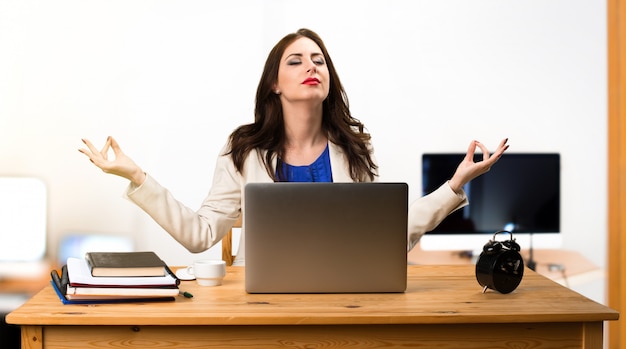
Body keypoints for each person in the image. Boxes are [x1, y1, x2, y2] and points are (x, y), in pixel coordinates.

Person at [79, 28, 508, 266]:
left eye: (319, 60)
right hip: (261, 306)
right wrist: (136, 176)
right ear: (274, 83)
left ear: (328, 79)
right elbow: (201, 235)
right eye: (296, 60)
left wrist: (455, 185)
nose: (311, 67)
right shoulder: (242, 150)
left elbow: (385, 237)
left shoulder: (353, 149)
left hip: (344, 296)